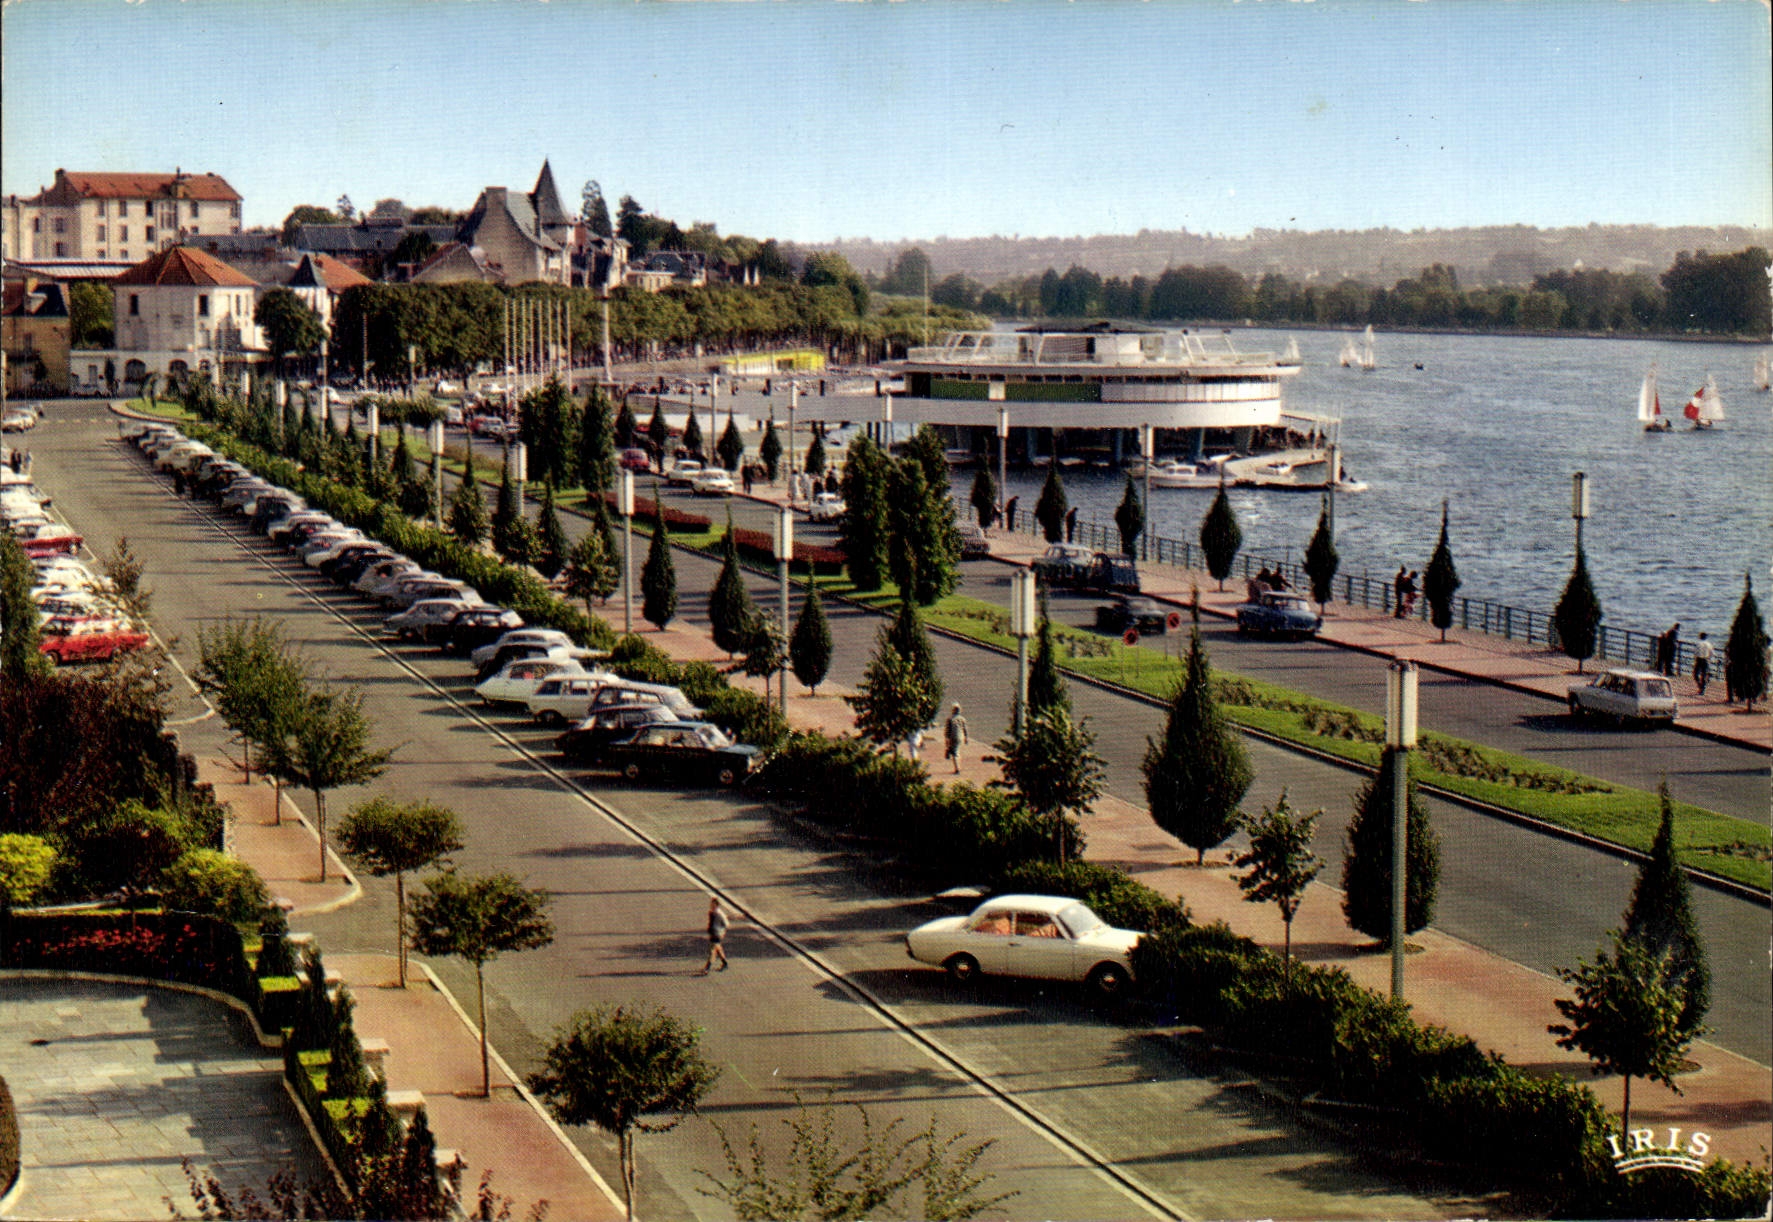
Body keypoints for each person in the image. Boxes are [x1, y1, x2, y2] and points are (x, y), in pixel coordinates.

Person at [697, 897, 729, 973]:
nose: (711, 905)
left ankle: (707, 967)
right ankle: (725, 963)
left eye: (712, 903)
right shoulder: (712, 912)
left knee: (713, 950)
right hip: (713, 933)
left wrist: (721, 932)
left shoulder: (719, 914)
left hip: (717, 934)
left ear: (716, 904)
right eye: (711, 903)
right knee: (718, 949)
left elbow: (726, 924)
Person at [943, 704, 968, 773]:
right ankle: (958, 766)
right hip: (960, 737)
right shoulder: (962, 719)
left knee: (955, 753)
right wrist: (966, 737)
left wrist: (946, 740)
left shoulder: (950, 719)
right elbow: (965, 729)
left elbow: (947, 730)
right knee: (957, 751)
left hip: (952, 737)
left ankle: (957, 768)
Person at [1692, 631, 1713, 696]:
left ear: (1700, 637)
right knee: (1703, 675)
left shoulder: (1698, 643)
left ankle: (1700, 686)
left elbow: (1695, 652)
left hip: (1699, 659)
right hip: (1706, 660)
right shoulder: (1709, 644)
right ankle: (1702, 689)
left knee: (1695, 674)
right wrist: (1709, 659)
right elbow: (1711, 653)